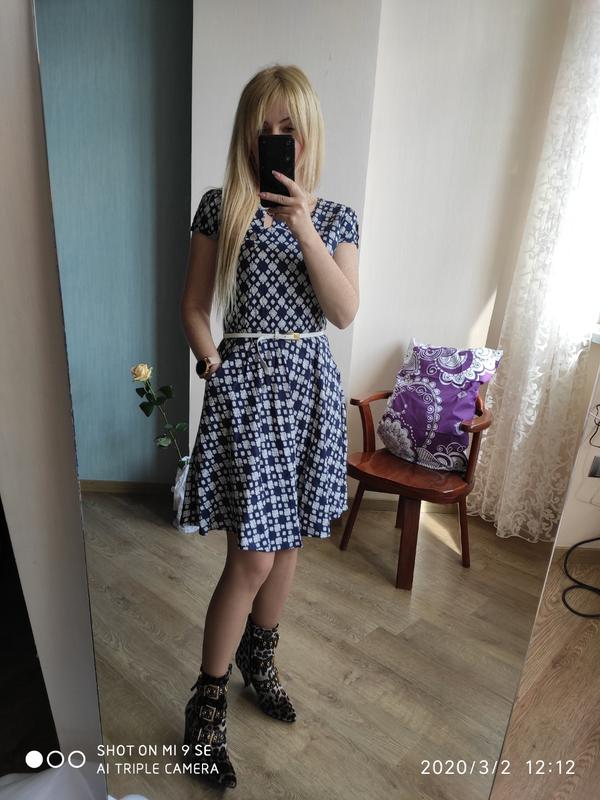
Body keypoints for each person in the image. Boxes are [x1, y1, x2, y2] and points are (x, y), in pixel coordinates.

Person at [179, 63, 360, 788]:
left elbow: (343, 311)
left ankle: (260, 660)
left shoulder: (337, 217)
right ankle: (206, 702)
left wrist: (303, 226)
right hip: (248, 389)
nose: (277, 139)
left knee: (287, 547)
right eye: (265, 129)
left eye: (289, 128)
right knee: (252, 556)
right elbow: (195, 307)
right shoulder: (220, 207)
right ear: (246, 136)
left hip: (310, 388)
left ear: (308, 134)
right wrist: (211, 364)